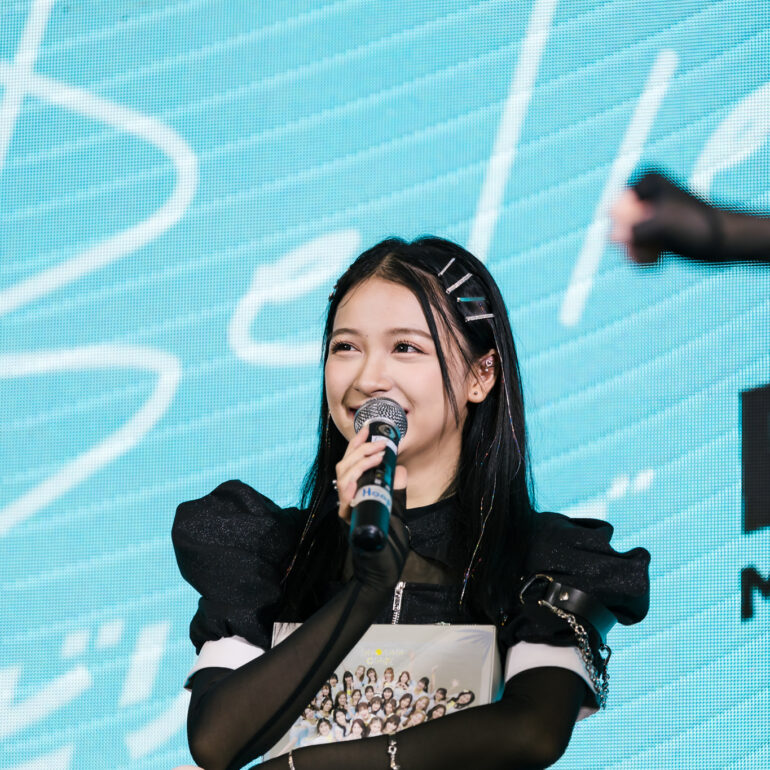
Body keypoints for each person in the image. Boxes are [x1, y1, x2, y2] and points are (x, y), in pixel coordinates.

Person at [173, 237, 650, 770]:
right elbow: (216, 742)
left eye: (405, 348)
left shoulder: (536, 558)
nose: (368, 379)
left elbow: (532, 732)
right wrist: (365, 592)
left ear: (481, 375)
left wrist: (306, 766)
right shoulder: (270, 551)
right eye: (346, 347)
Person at [610, 169, 770, 265]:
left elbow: (652, 178)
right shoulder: (672, 221)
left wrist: (628, 231)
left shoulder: (669, 218)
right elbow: (645, 257)